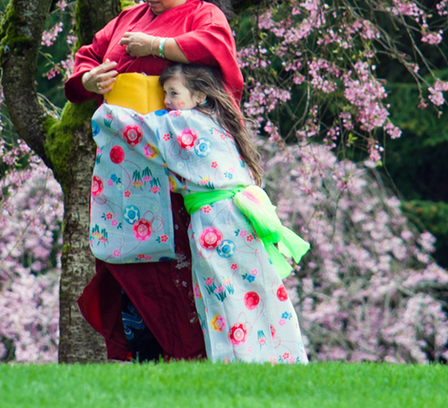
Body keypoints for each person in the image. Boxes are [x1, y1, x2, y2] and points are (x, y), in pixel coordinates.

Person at [64, 0, 242, 362]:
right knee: (130, 262)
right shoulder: (129, 19)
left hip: (177, 168)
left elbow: (217, 52)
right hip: (125, 170)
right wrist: (89, 79)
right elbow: (88, 54)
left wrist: (159, 46)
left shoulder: (205, 16)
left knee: (179, 263)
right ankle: (144, 356)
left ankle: (191, 358)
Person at [90, 63, 309, 363]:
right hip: (236, 215)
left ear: (199, 94)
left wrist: (105, 113)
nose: (167, 101)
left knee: (223, 295)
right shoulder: (216, 121)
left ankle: (238, 360)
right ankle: (282, 357)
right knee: (257, 289)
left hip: (217, 222)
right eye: (165, 93)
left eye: (174, 93)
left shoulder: (184, 123)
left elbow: (140, 130)